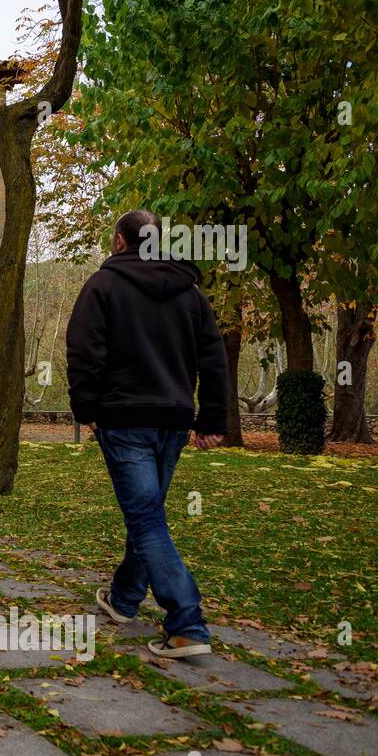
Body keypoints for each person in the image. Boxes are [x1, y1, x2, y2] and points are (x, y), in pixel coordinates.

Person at [66, 209, 228, 658]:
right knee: (148, 512)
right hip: (173, 419)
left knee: (145, 518)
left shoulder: (103, 286)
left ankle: (187, 624)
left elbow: (83, 352)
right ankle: (123, 598)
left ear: (120, 241)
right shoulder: (190, 293)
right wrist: (212, 418)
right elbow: (213, 358)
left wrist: (87, 411)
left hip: (124, 418)